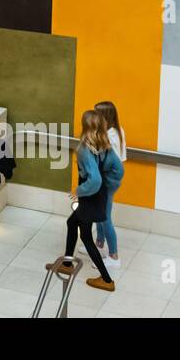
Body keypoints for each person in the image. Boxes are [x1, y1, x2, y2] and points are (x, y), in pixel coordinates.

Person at [61, 110, 124, 292]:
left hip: (90, 197)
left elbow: (94, 180)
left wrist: (78, 191)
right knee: (72, 223)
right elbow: (118, 170)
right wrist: (109, 186)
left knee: (86, 236)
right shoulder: (105, 145)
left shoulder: (84, 149)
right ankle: (66, 263)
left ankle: (106, 279)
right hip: (98, 196)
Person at [93, 100, 126, 268]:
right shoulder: (118, 131)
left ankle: (114, 257)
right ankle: (99, 244)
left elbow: (102, 160)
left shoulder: (109, 137)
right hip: (110, 179)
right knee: (100, 212)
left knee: (105, 217)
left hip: (106, 180)